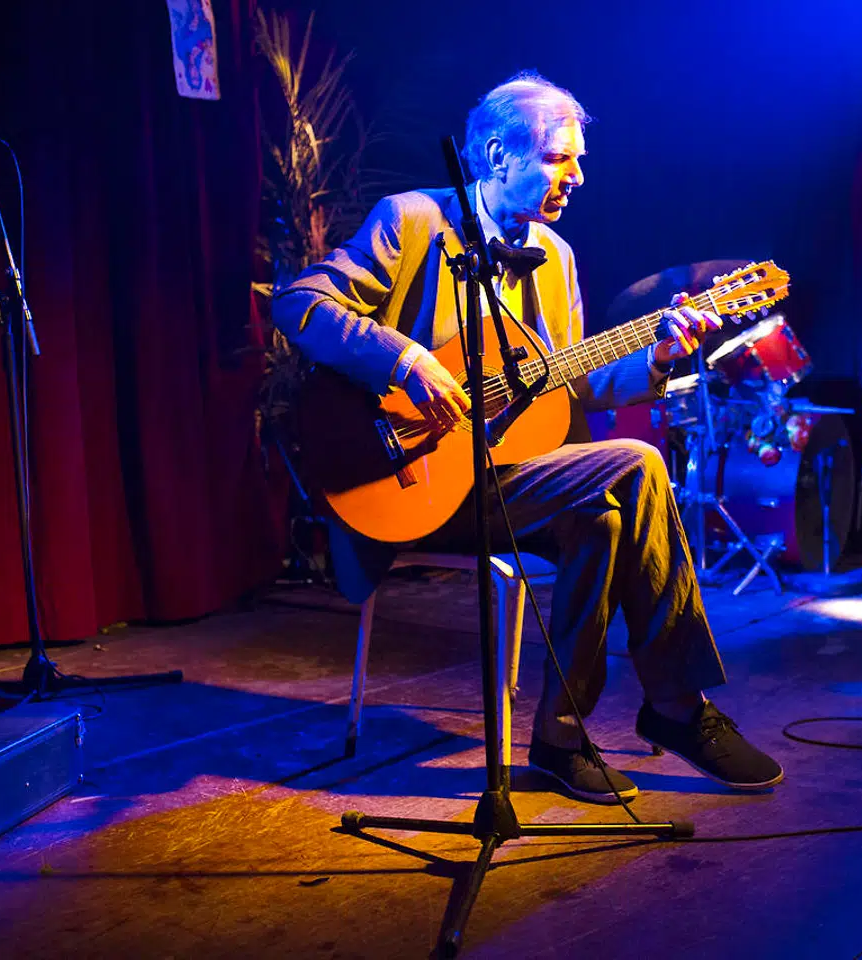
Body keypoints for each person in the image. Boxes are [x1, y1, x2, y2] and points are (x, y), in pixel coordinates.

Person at [272, 72, 783, 803]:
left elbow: (566, 383)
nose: (576, 177)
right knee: (635, 465)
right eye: (558, 158)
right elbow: (300, 302)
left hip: (508, 478)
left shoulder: (556, 257)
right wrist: (404, 358)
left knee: (603, 521)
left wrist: (661, 357)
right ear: (495, 154)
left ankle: (560, 738)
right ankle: (675, 707)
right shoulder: (412, 220)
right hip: (408, 478)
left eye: (578, 160)